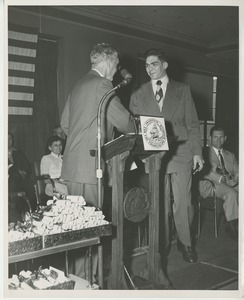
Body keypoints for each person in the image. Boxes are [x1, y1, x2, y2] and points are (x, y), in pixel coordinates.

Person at [60, 43, 135, 282]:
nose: (116, 69)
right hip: (91, 168)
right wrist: (140, 130)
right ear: (107, 62)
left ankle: (78, 280)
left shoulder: (78, 84)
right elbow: (123, 120)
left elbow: (64, 124)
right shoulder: (102, 84)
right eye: (115, 64)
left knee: (77, 227)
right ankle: (88, 283)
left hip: (73, 166)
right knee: (90, 227)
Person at [129, 48, 204, 263]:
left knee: (183, 202)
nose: (149, 68)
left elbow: (192, 124)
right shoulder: (138, 93)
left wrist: (198, 153)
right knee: (159, 204)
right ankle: (160, 245)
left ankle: (186, 242)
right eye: (146, 65)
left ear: (165, 65)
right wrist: (140, 154)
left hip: (181, 152)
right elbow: (133, 129)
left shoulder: (183, 90)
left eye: (154, 64)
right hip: (153, 156)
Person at [198, 125, 238, 239]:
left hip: (228, 184)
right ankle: (232, 228)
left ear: (225, 138)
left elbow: (237, 170)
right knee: (232, 193)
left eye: (221, 137)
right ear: (210, 138)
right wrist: (222, 179)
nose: (218, 140)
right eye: (215, 137)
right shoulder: (203, 152)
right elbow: (203, 172)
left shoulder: (230, 155)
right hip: (210, 184)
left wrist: (236, 178)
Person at [8, 132, 37, 212]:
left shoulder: (17, 152)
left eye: (10, 139)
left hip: (21, 179)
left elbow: (27, 166)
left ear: (12, 140)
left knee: (30, 185)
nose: (8, 141)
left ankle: (33, 210)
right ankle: (17, 211)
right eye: (6, 139)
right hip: (9, 181)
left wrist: (24, 172)